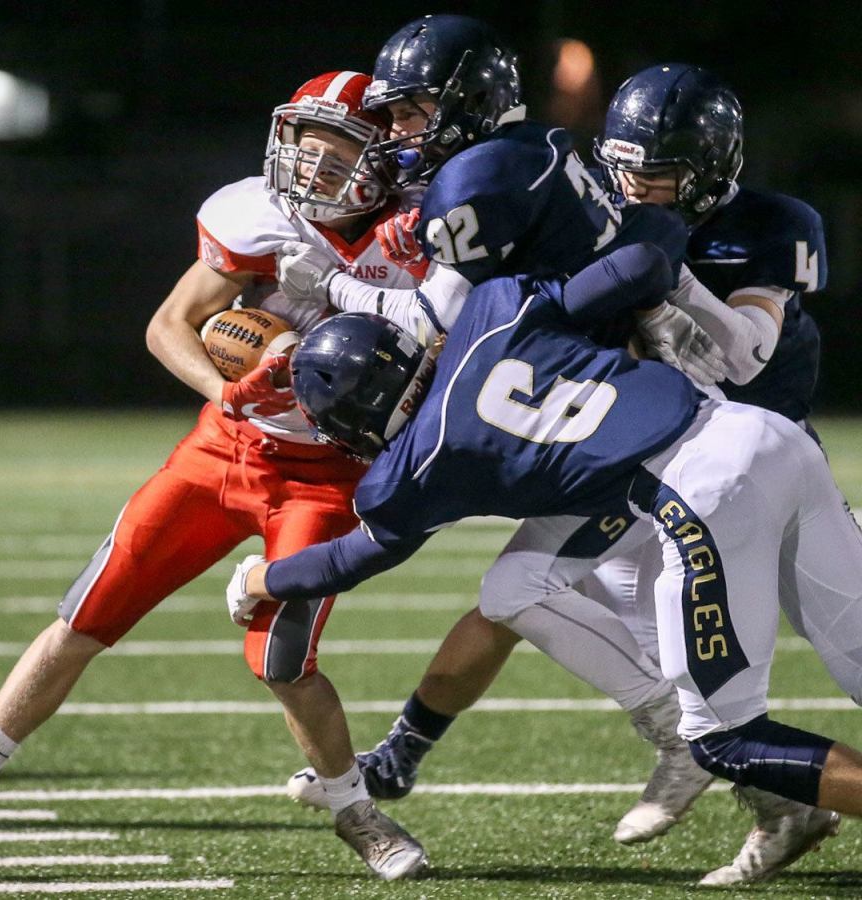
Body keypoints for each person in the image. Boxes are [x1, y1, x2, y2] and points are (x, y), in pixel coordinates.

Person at [0, 70, 429, 882]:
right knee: (90, 609)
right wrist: (229, 389)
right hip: (224, 446)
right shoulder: (258, 215)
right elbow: (169, 325)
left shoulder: (415, 242)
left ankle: (356, 812)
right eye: (304, 147)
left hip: (325, 470)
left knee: (280, 659)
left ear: (379, 159)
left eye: (333, 153)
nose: (308, 168)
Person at [296, 61, 838, 887]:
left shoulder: (766, 224)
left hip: (734, 457)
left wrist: (659, 276)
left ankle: (709, 756)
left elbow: (740, 354)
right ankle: (765, 793)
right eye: (619, 169)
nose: (632, 187)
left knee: (749, 686)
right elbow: (538, 303)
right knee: (547, 600)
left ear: (710, 168)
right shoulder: (597, 218)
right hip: (648, 464)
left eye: (653, 175)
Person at [229, 249, 862, 888]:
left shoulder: (417, 467)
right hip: (760, 430)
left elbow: (350, 557)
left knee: (725, 741)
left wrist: (261, 579)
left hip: (699, 494)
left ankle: (728, 767)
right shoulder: (492, 311)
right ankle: (779, 809)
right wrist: (659, 314)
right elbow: (639, 260)